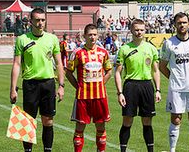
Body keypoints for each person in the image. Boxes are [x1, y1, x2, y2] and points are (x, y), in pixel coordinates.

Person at [10, 8, 65, 152]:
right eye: (37, 20)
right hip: (30, 85)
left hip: (48, 84)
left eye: (43, 20)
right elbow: (16, 64)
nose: (40, 23)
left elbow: (59, 63)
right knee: (27, 122)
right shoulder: (22, 39)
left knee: (48, 122)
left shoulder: (52, 39)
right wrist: (13, 88)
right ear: (31, 22)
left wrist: (61, 85)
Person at [159, 12, 189, 152]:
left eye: (184, 22)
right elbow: (162, 66)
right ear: (175, 25)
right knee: (176, 119)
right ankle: (172, 149)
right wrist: (174, 79)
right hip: (176, 88)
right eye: (179, 23)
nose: (182, 25)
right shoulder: (168, 43)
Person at [114, 19, 161, 152]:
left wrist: (157, 90)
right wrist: (120, 92)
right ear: (131, 30)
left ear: (145, 30)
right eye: (136, 30)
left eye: (141, 30)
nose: (139, 32)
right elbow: (117, 73)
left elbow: (156, 70)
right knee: (127, 121)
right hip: (130, 86)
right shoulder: (124, 49)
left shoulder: (151, 48)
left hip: (147, 85)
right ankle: (123, 150)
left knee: (147, 122)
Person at [65, 24, 112, 152]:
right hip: (83, 97)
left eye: (95, 34)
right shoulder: (77, 53)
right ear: (84, 36)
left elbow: (109, 71)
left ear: (98, 35)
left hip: (100, 96)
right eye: (90, 34)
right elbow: (68, 72)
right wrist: (78, 86)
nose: (92, 37)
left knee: (101, 127)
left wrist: (101, 84)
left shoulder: (103, 53)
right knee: (80, 127)